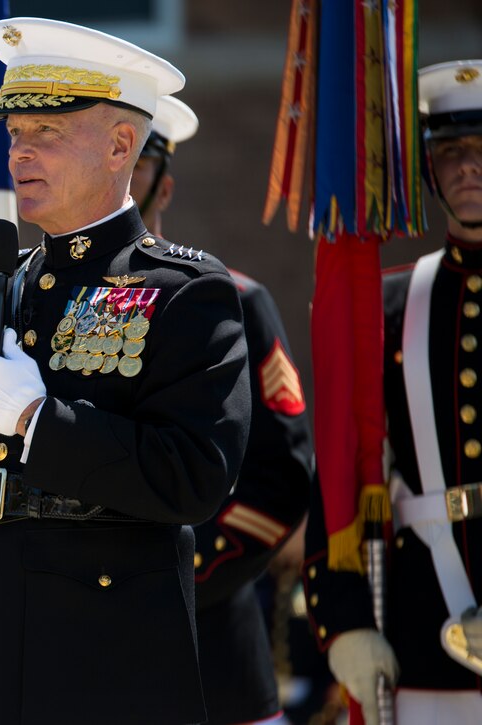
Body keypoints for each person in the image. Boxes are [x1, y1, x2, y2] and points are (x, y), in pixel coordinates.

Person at [0, 17, 251, 724]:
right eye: (15, 132)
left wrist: (37, 421)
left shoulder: (186, 290)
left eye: (46, 132)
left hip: (109, 637)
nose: (19, 152)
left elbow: (194, 474)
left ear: (120, 145)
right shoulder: (0, 286)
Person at [303, 58, 482, 723]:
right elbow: (343, 463)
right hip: (423, 626)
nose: (468, 167)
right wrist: (344, 619)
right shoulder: (389, 305)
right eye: (452, 150)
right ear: (427, 168)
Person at [136, 95, 314, 724]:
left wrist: (179, 571)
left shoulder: (231, 299)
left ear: (165, 183)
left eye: (135, 162)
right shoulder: (36, 298)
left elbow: (280, 473)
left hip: (212, 643)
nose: (120, 181)